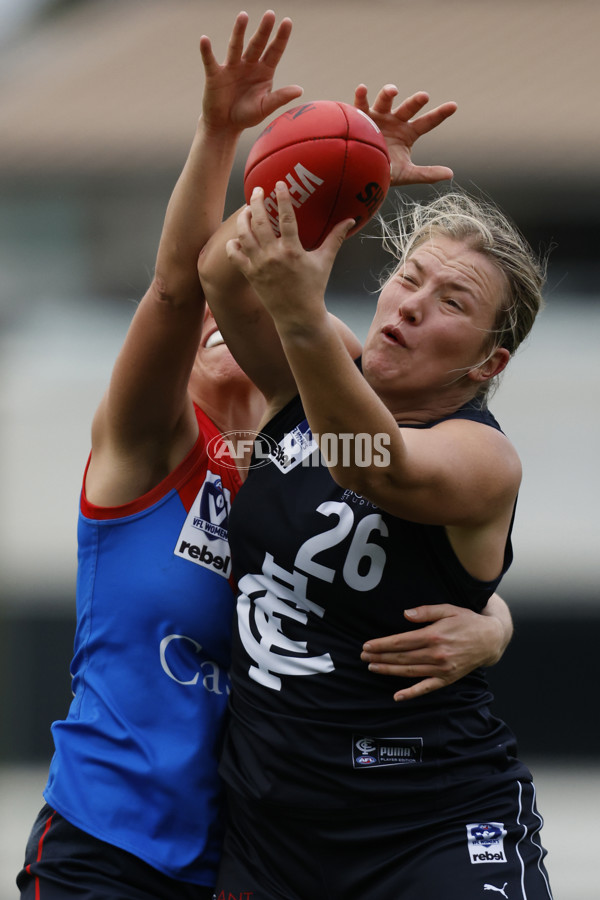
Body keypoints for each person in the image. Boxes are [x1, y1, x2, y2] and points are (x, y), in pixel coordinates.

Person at [16, 12, 514, 900]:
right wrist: (233, 141)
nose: (213, 328)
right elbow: (186, 283)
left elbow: (385, 549)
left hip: (238, 854)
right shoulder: (145, 455)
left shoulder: (279, 476)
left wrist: (494, 619)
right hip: (108, 838)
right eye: (208, 325)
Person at [198, 85, 554, 897]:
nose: (412, 305)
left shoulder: (482, 458)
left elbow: (372, 465)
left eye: (451, 302)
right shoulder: (320, 365)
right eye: (409, 278)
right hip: (271, 836)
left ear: (486, 365)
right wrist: (329, 185)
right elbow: (221, 271)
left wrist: (298, 318)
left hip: (430, 825)